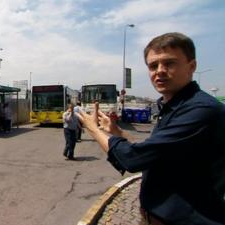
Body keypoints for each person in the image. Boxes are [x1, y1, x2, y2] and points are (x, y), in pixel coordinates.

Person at [76, 32, 225, 224]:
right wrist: (117, 132)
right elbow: (153, 152)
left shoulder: (201, 110)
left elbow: (133, 159)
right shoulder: (171, 106)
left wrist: (94, 129)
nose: (160, 71)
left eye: (169, 63)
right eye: (153, 66)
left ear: (191, 66)